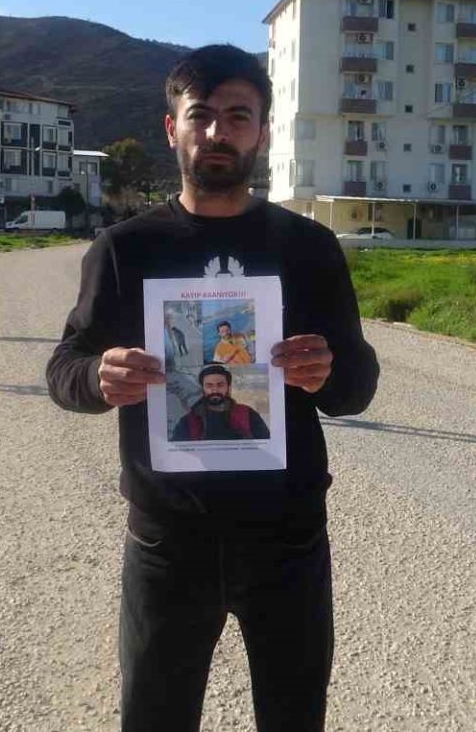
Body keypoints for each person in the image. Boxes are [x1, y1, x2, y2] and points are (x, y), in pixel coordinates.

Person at [47, 44, 379, 731]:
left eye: (237, 116)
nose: (217, 132)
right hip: (168, 542)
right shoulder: (125, 249)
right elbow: (65, 368)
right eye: (200, 115)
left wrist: (329, 372)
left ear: (262, 131)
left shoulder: (309, 249)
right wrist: (97, 375)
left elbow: (357, 384)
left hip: (288, 541)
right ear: (173, 128)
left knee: (294, 719)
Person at [171, 364, 270, 442]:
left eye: (220, 385)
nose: (215, 390)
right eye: (209, 386)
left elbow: (266, 444)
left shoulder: (247, 414)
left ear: (228, 387)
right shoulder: (188, 421)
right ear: (203, 388)